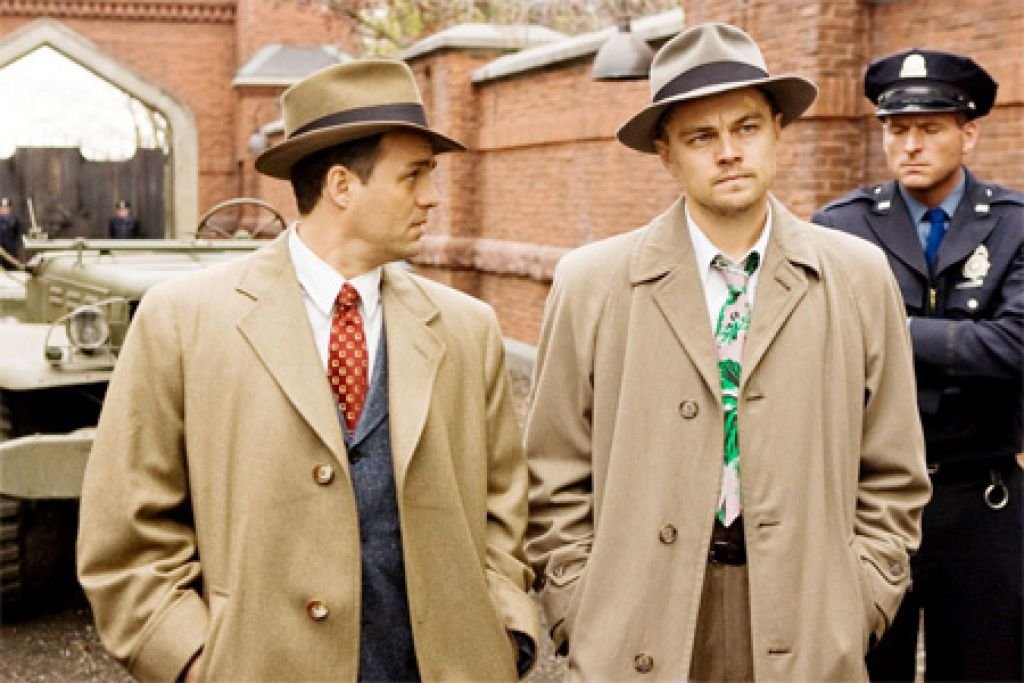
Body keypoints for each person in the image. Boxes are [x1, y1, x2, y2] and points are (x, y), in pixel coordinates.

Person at [78, 59, 538, 682]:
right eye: (414, 175)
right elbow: (126, 531)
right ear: (342, 186)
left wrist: (504, 630)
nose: (432, 196)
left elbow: (504, 509)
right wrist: (192, 661)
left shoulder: (468, 328)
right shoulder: (182, 321)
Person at [524, 23, 931, 681]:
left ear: (777, 131)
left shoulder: (857, 275)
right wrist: (580, 601)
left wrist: (861, 599)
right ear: (665, 154)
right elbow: (553, 468)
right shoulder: (591, 282)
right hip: (640, 615)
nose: (729, 152)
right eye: (701, 137)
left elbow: (894, 468)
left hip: (807, 612)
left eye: (746, 128)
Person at [812, 49, 1022, 682]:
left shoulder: (1014, 226)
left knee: (986, 667)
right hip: (869, 501)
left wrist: (890, 331)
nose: (910, 144)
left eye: (929, 128)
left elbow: (1015, 346)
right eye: (897, 128)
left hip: (980, 495)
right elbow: (821, 350)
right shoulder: (840, 229)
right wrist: (963, 342)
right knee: (866, 666)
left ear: (968, 134)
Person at [0, 197, 20, 268]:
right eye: (2, 207)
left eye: (6, 207)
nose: (4, 209)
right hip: (1, 249)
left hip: (10, 249)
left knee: (12, 266)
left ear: (10, 208)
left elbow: (16, 233)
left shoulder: (14, 220)